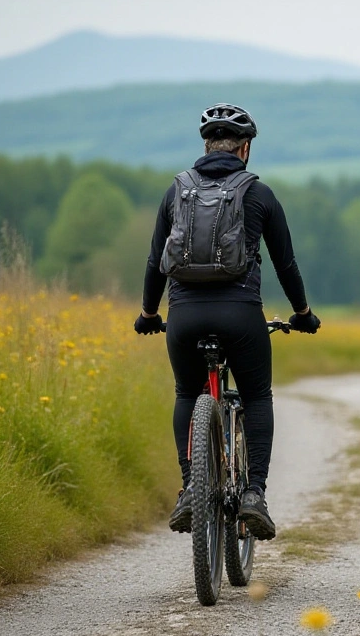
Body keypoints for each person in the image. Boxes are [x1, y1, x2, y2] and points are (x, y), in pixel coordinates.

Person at [134, 103, 320, 540]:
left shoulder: (176, 191)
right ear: (245, 149)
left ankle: (189, 489)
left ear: (205, 145)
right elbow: (286, 264)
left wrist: (147, 314)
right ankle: (254, 493)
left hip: (183, 317)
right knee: (256, 396)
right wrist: (303, 314)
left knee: (186, 392)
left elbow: (154, 262)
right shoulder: (258, 194)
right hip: (240, 315)